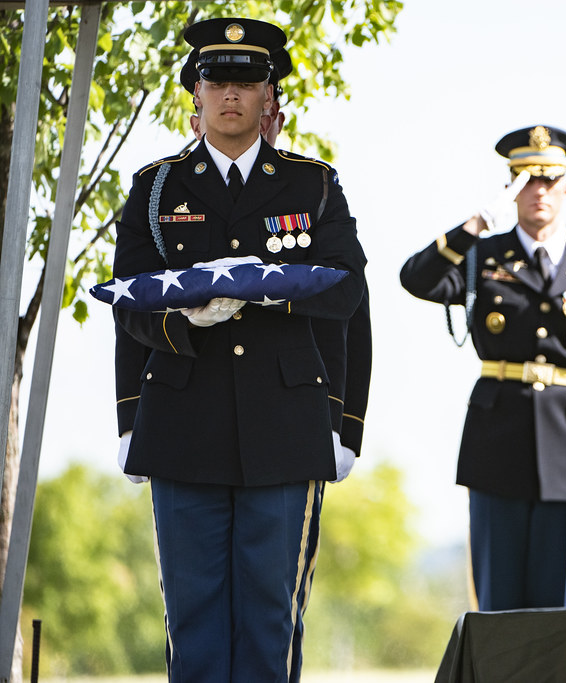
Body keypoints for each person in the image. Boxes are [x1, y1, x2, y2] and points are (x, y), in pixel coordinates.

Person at [110, 17, 367, 681]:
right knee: (192, 619)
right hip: (181, 423)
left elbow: (346, 293)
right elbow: (130, 304)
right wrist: (177, 331)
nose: (231, 94)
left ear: (268, 95)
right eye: (216, 80)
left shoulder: (312, 186)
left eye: (247, 81)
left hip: (284, 426)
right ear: (194, 92)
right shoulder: (156, 187)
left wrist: (266, 290)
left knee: (270, 619)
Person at [400, 125, 566, 611]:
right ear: (510, 188)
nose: (539, 190)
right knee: (497, 611)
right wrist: (474, 225)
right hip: (496, 448)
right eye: (526, 180)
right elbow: (416, 279)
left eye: (549, 179)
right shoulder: (480, 258)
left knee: (560, 615)